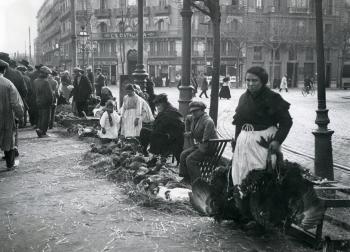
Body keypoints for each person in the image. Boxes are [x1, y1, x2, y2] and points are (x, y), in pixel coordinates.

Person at [231, 66, 293, 186]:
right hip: (243, 143)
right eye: (248, 80)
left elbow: (286, 122)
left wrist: (277, 141)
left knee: (260, 176)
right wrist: (236, 140)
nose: (250, 84)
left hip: (264, 142)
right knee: (240, 175)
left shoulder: (273, 98)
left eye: (255, 81)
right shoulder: (243, 98)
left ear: (263, 81)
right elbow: (239, 122)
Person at [179, 101, 218, 184]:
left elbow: (206, 141)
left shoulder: (208, 121)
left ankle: (198, 182)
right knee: (183, 154)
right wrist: (188, 132)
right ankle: (186, 178)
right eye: (192, 111)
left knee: (190, 159)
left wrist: (196, 149)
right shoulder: (194, 118)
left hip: (209, 147)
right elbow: (187, 118)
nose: (193, 113)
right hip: (201, 145)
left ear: (202, 110)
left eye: (196, 111)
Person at [139, 94, 185, 163]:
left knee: (153, 134)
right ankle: (145, 152)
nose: (157, 108)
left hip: (170, 139)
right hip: (165, 135)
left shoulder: (168, 112)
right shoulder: (168, 110)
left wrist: (155, 126)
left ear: (163, 104)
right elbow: (158, 126)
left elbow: (160, 127)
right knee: (144, 131)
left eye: (158, 106)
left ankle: (154, 157)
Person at [0, 59, 24, 170]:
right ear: (4, 70)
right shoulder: (7, 83)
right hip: (5, 117)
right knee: (8, 140)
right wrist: (20, 115)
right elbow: (15, 103)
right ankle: (10, 164)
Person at [33, 66, 54, 138]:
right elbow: (49, 94)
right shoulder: (46, 82)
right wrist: (51, 102)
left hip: (38, 101)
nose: (48, 75)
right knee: (46, 117)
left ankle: (39, 129)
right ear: (45, 74)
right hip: (45, 102)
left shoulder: (35, 81)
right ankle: (43, 132)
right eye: (47, 74)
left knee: (40, 116)